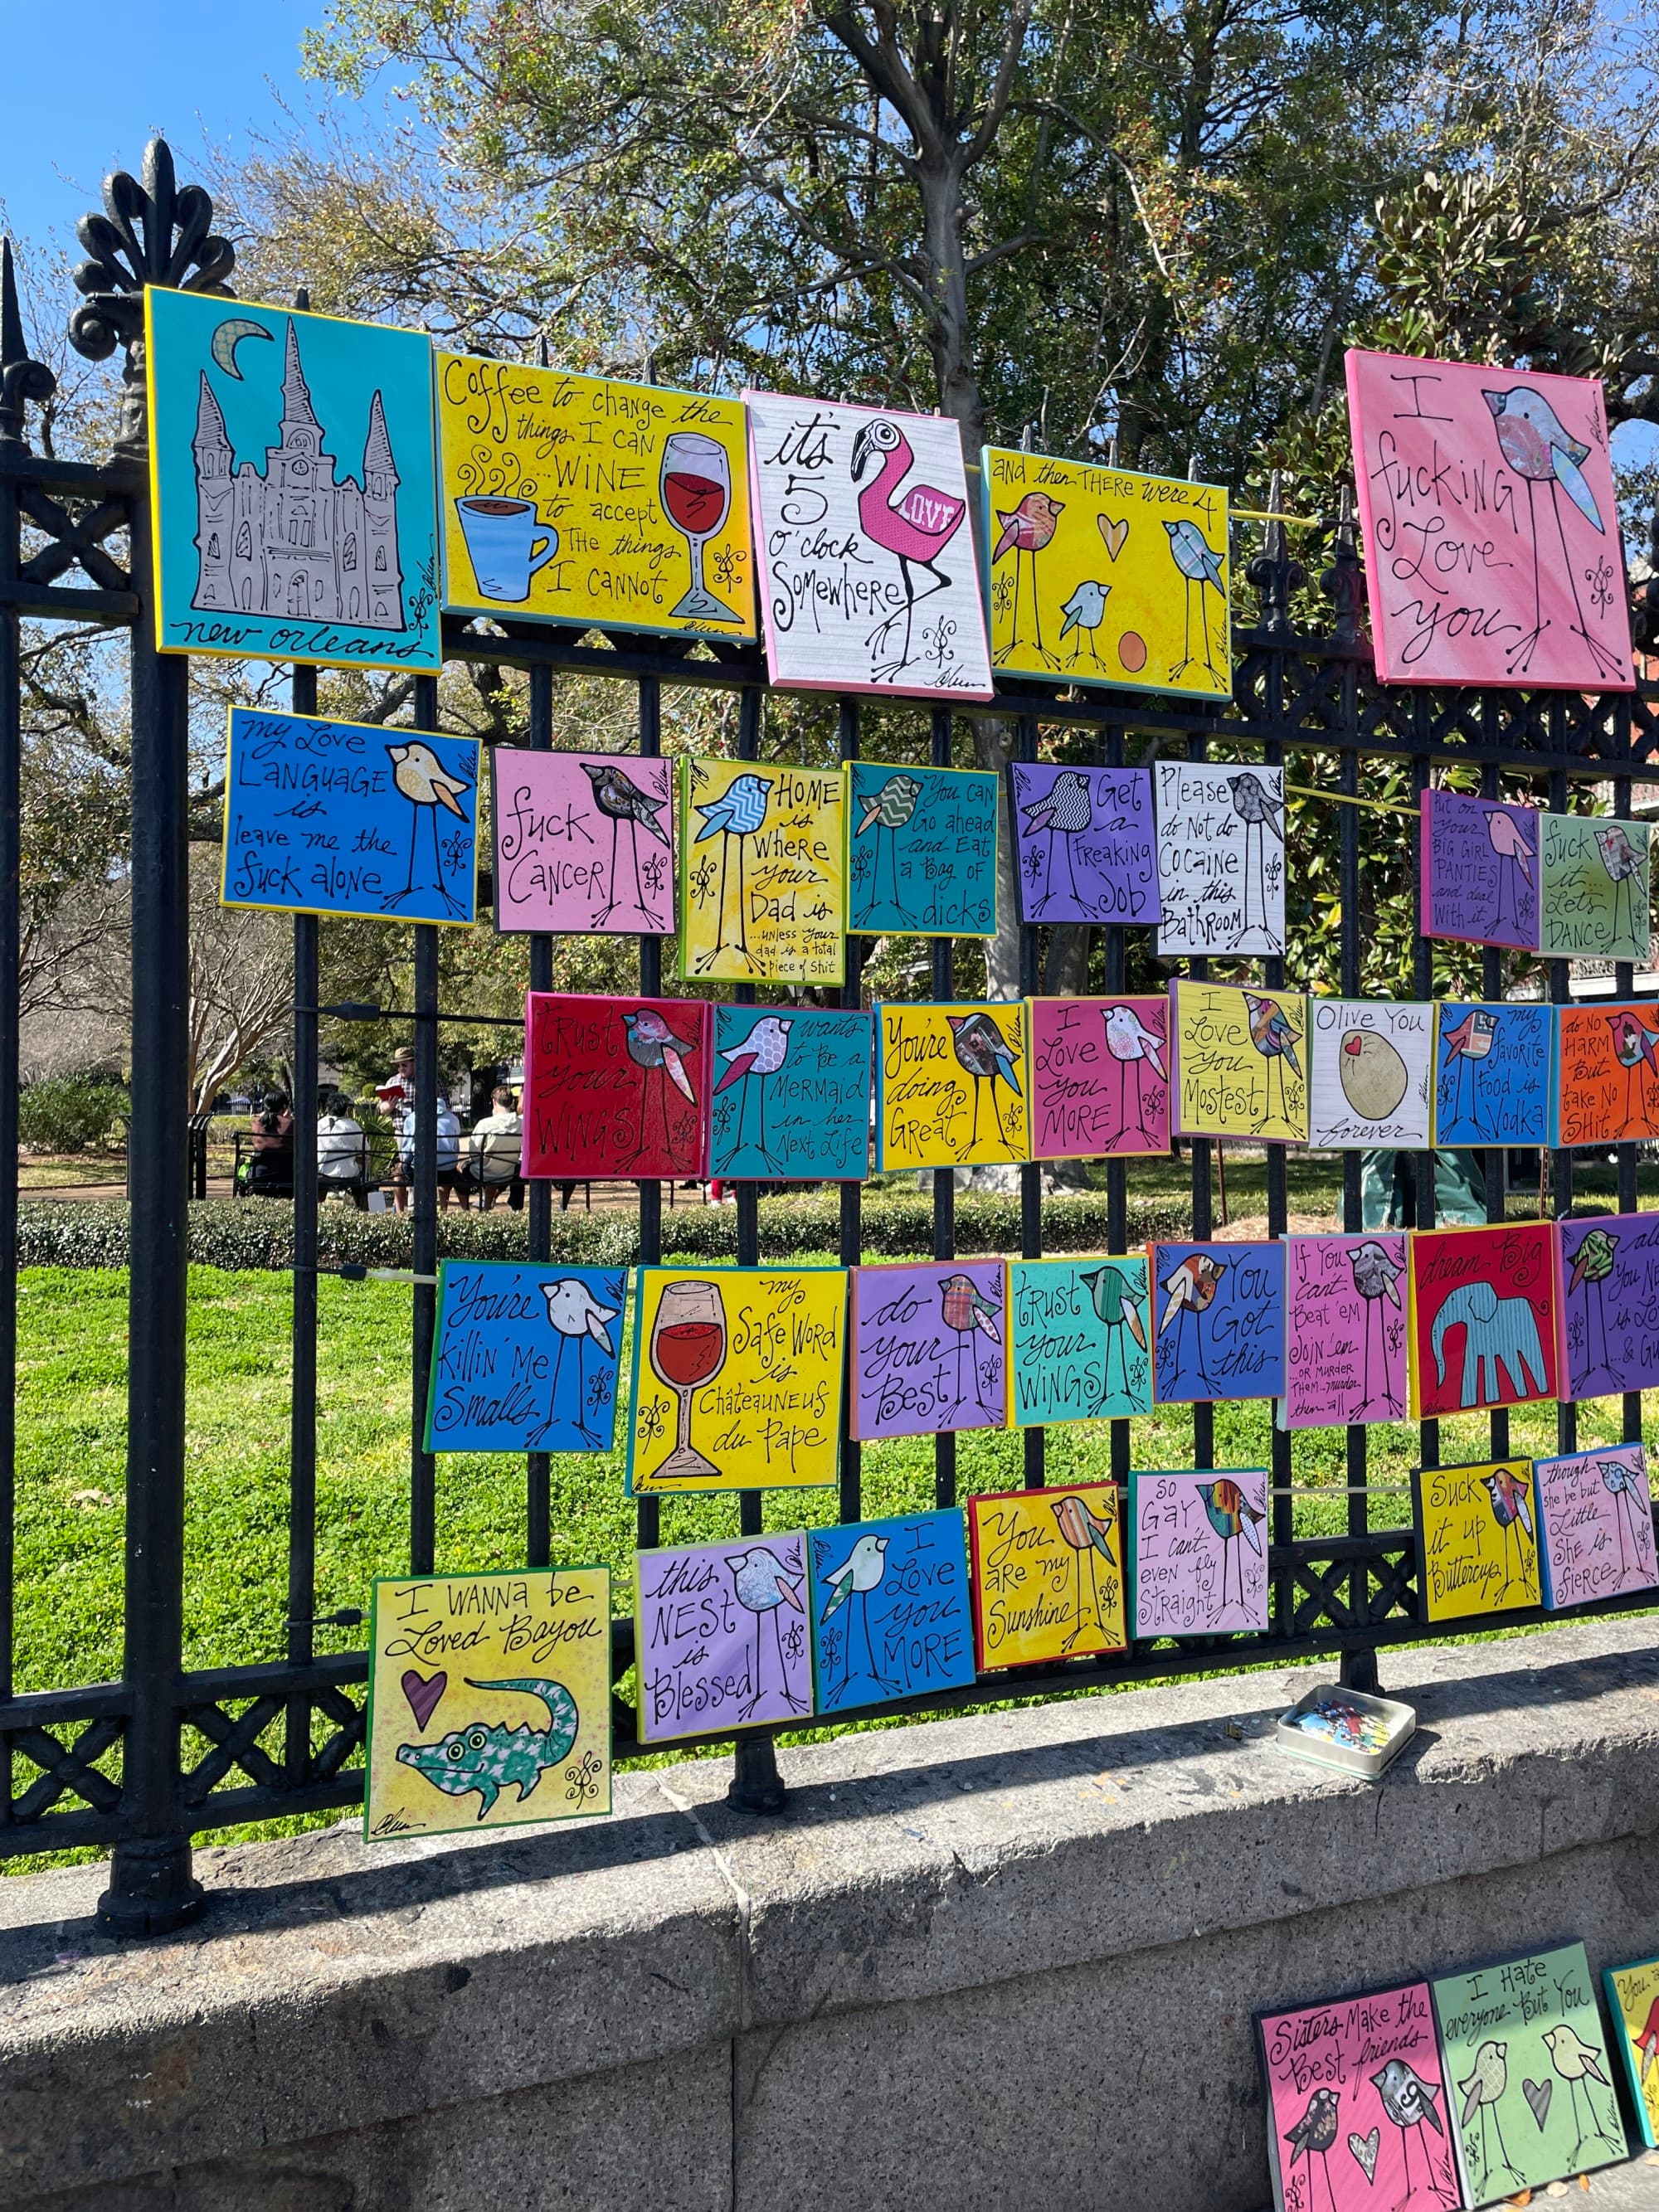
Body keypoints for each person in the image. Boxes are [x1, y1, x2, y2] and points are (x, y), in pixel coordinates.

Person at [396, 1088, 466, 1210]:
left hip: (420, 1170)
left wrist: (405, 1162)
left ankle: (399, 1212)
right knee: (449, 1168)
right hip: (447, 1170)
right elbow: (455, 1148)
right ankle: (446, 1209)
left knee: (398, 1173)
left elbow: (406, 1150)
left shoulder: (413, 1118)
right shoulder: (453, 1119)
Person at [467, 1085, 524, 1211]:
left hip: (484, 1172)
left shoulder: (485, 1124)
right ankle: (488, 1206)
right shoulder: (522, 1124)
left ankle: (465, 1209)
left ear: (494, 1102)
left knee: (461, 1170)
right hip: (508, 1172)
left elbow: (474, 1154)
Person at [377, 1048, 417, 1212]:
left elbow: (444, 1104)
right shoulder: (393, 1082)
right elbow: (382, 1109)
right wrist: (388, 1106)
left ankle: (415, 1206)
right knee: (401, 1168)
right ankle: (400, 1207)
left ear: (414, 1063)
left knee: (416, 1168)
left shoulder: (428, 1079)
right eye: (399, 1066)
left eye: (405, 1065)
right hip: (401, 1132)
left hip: (421, 1133)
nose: (401, 1068)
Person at [316, 1093, 368, 1207]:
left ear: (327, 1108)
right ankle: (361, 1208)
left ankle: (317, 1206)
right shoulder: (353, 1126)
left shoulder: (318, 1125)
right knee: (361, 1165)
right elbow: (366, 1152)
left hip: (322, 1175)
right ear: (345, 1110)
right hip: (348, 1175)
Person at [246, 1091, 293, 1197]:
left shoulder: (256, 1124)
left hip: (257, 1176)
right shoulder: (289, 1124)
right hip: (286, 1178)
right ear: (284, 1106)